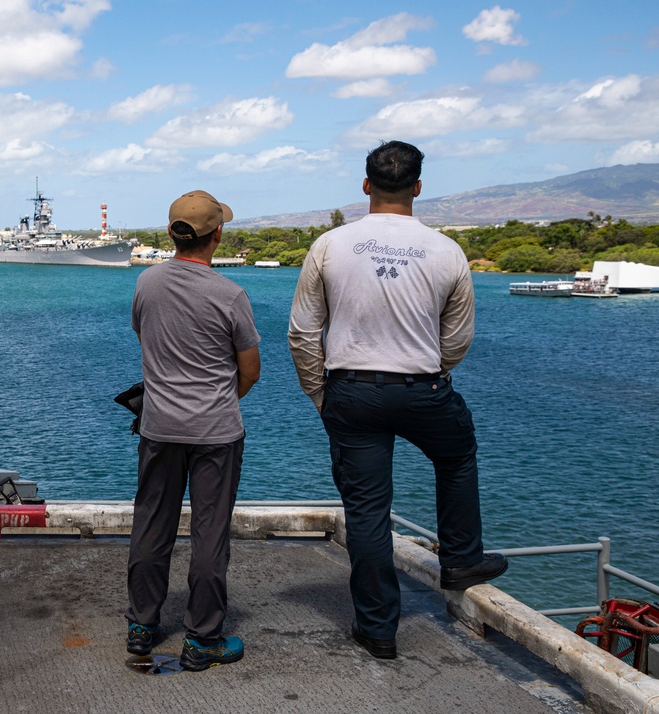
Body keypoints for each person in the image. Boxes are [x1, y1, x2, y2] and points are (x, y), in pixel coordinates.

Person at [287, 141, 507, 660]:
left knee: (366, 511)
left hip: (351, 391)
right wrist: (431, 373)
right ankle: (459, 558)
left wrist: (320, 392)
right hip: (423, 389)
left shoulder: (330, 245)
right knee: (456, 457)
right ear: (418, 187)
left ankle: (379, 631)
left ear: (366, 186)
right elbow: (457, 338)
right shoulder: (447, 250)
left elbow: (302, 332)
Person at [125, 190, 261, 671]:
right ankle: (203, 638)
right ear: (217, 233)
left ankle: (142, 625)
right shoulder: (230, 295)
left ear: (171, 234)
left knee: (152, 524)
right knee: (209, 534)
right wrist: (218, 401)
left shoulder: (146, 283)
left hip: (158, 427)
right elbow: (250, 369)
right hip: (216, 433)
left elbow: (146, 338)